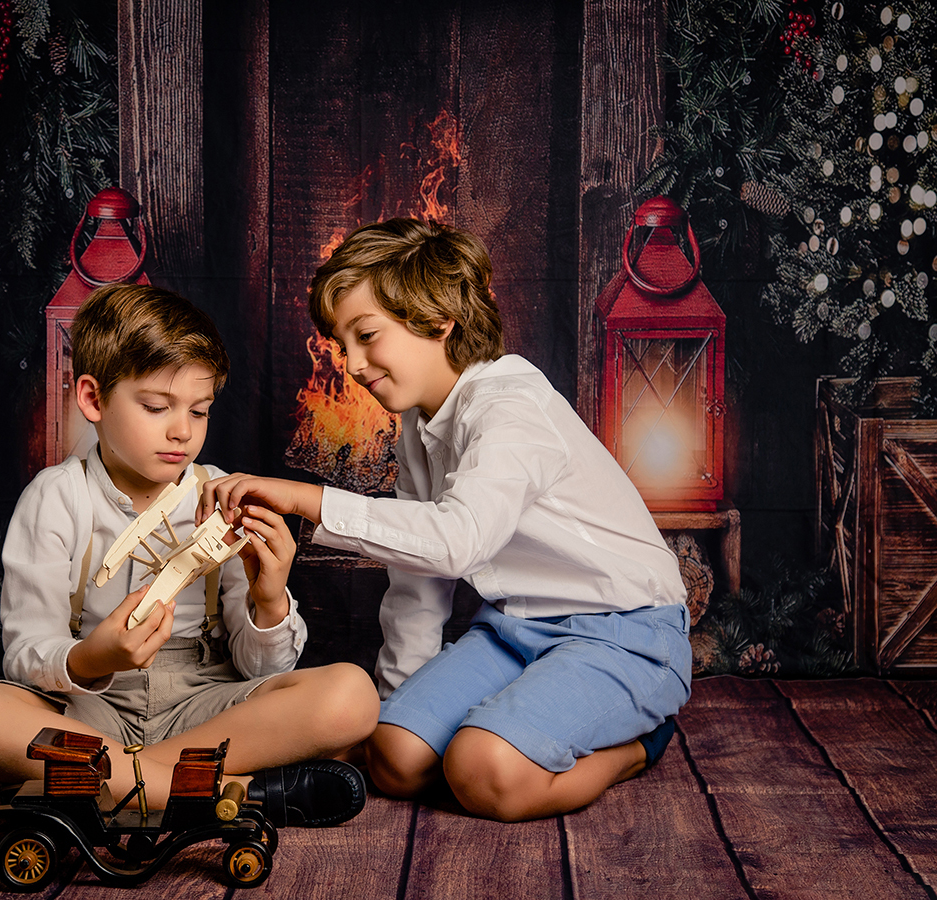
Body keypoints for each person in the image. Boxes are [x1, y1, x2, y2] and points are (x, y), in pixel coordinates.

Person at [202, 218, 693, 822]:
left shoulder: (510, 409)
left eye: (366, 336)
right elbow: (417, 580)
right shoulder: (419, 424)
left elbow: (456, 543)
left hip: (624, 633)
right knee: (394, 759)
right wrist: (397, 707)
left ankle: (638, 747)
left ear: (437, 320)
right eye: (341, 345)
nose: (353, 365)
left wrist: (308, 499)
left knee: (481, 771)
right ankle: (495, 724)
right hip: (514, 630)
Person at [0, 283, 378, 828]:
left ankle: (121, 784)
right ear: (93, 399)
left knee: (351, 695)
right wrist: (93, 659)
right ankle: (200, 789)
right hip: (92, 709)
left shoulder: (221, 495)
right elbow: (25, 653)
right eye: (155, 406)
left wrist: (267, 602)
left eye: (200, 410)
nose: (182, 432)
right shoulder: (55, 497)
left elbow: (260, 669)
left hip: (204, 705)